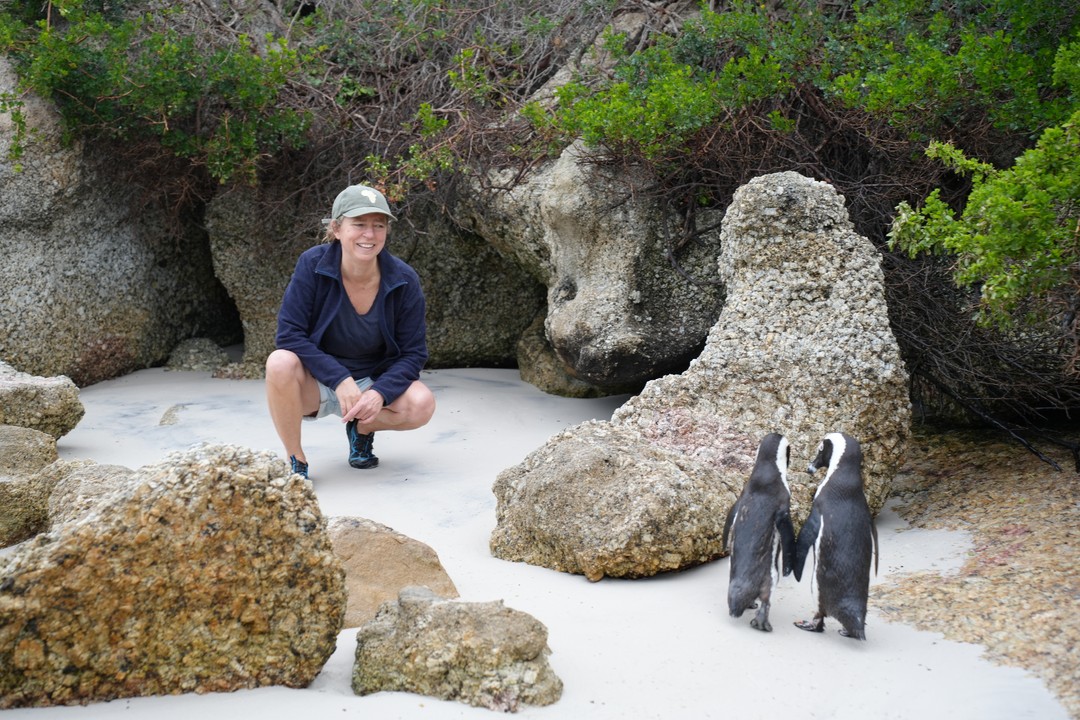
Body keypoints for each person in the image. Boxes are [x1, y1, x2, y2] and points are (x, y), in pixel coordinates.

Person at [265, 183, 436, 478]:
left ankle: (362, 426)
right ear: (336, 228)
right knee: (279, 362)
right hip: (318, 382)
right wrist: (340, 379)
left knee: (422, 405)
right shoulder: (312, 264)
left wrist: (380, 393)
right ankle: (297, 460)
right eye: (359, 224)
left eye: (378, 225)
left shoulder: (404, 279)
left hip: (372, 380)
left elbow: (413, 353)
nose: (369, 235)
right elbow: (289, 334)